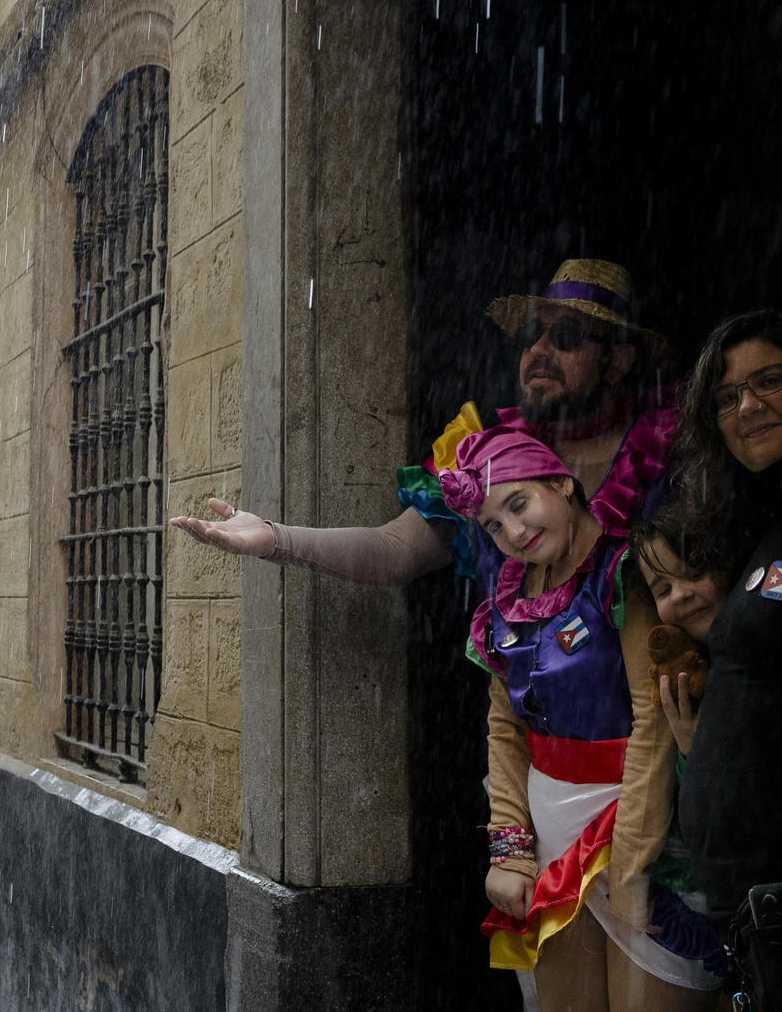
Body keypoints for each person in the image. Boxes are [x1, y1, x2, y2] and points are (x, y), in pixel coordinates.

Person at [169, 258, 676, 586]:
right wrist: (276, 539)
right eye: (531, 336)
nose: (538, 352)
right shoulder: (482, 453)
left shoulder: (673, 452)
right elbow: (394, 550)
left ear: (618, 361)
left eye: (565, 338)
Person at [442, 427, 720, 1010]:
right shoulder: (504, 604)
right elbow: (506, 731)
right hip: (550, 841)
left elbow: (655, 722)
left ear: (563, 483)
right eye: (493, 524)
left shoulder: (624, 574)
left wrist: (633, 865)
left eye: (519, 504)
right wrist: (512, 851)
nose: (513, 533)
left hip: (643, 827)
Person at [664, 311, 782, 1008]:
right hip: (757, 918)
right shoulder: (764, 523)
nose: (748, 407)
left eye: (769, 381)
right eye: (727, 397)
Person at [628, 515, 735, 755]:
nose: (679, 595)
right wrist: (689, 750)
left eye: (695, 574)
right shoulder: (682, 679)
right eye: (663, 590)